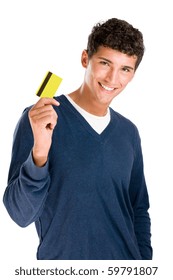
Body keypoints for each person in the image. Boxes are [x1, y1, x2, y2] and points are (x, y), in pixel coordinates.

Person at [3, 18, 152, 260]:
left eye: (125, 69)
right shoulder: (39, 118)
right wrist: (40, 152)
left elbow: (138, 209)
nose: (113, 79)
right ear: (85, 59)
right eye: (105, 63)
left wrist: (144, 267)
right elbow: (20, 215)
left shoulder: (129, 132)